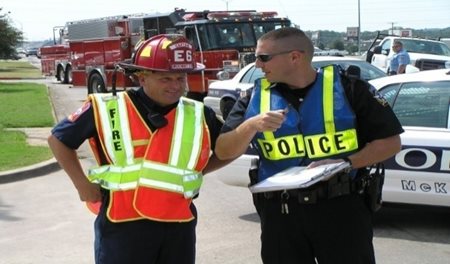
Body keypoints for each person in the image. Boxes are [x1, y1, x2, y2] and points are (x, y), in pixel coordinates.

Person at [215, 27, 404, 264]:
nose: (257, 65)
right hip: (281, 213)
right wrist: (251, 125)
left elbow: (390, 142)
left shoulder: (350, 89)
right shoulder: (253, 97)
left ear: (295, 57)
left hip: (341, 209)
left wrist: (346, 162)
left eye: (263, 57)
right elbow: (223, 151)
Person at [48, 34, 225, 264]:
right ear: (142, 78)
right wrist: (82, 185)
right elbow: (58, 140)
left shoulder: (199, 113)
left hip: (178, 226)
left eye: (181, 78)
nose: (176, 86)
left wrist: (200, 170)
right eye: (166, 79)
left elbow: (227, 149)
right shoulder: (105, 108)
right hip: (122, 227)